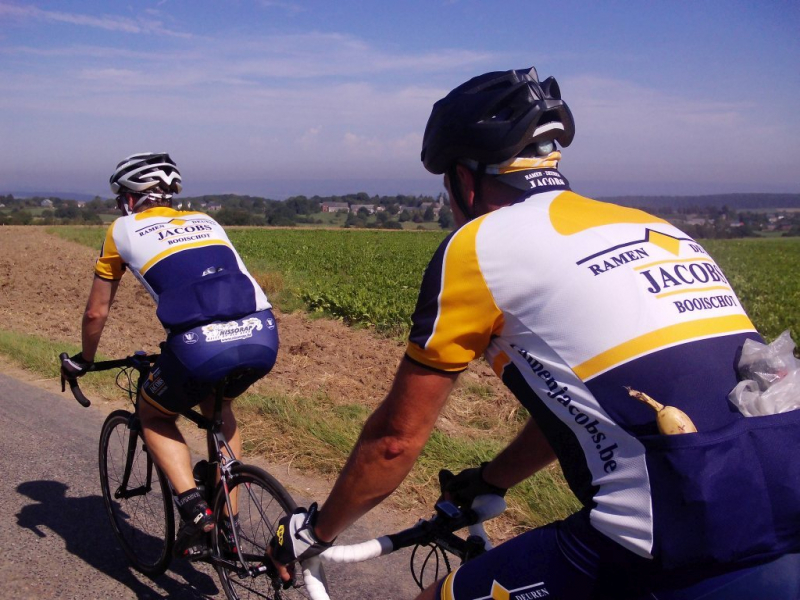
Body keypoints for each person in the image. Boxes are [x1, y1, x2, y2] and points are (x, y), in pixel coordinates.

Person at [268, 67, 800, 598]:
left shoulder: (480, 245)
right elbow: (580, 404)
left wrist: (313, 534)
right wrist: (495, 478)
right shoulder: (653, 227)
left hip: (680, 521)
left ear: (465, 179)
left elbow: (393, 443)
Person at [62, 152, 279, 559]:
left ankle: (196, 511)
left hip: (200, 345)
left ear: (129, 199)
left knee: (154, 413)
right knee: (218, 406)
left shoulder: (122, 229)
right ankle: (229, 526)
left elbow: (96, 311)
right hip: (263, 334)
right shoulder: (208, 221)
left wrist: (85, 360)